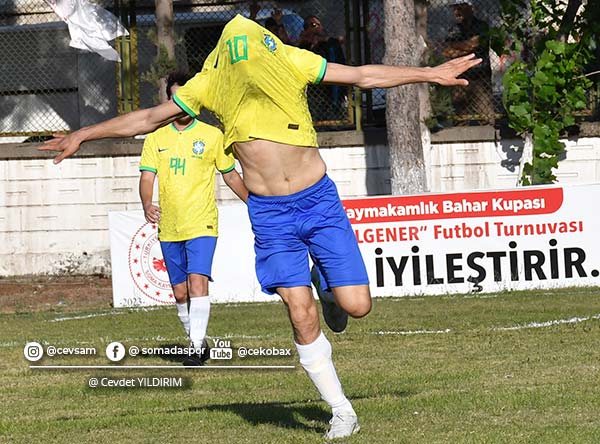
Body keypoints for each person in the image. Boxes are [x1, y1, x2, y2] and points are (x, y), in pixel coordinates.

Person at [40, 14, 481, 439]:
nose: (240, 53)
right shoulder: (210, 84)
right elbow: (147, 119)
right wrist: (83, 134)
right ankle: (342, 412)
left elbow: (365, 75)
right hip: (270, 215)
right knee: (298, 313)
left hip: (318, 202)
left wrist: (429, 74)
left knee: (358, 305)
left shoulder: (292, 61)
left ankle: (328, 291)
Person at [138, 71, 248, 366]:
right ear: (168, 100)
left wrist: (254, 202)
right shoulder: (156, 138)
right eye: (176, 98)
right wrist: (147, 203)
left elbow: (231, 175)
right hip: (170, 226)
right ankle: (194, 338)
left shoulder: (212, 136)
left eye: (187, 98)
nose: (181, 104)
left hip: (202, 223)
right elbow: (147, 177)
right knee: (179, 291)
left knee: (197, 281)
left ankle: (196, 348)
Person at [442, 0, 494, 124]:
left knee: (485, 115)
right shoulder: (454, 29)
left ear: (469, 8)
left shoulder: (482, 26)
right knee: (459, 116)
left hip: (480, 75)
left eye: (459, 8)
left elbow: (475, 43)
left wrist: (458, 48)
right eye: (454, 8)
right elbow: (447, 51)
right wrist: (468, 47)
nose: (456, 12)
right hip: (460, 75)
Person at [297, 15, 347, 120]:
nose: (314, 28)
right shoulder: (303, 43)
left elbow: (341, 40)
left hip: (327, 81)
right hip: (310, 85)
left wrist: (320, 40)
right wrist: (304, 40)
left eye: (316, 25)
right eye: (310, 25)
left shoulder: (328, 43)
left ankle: (335, 113)